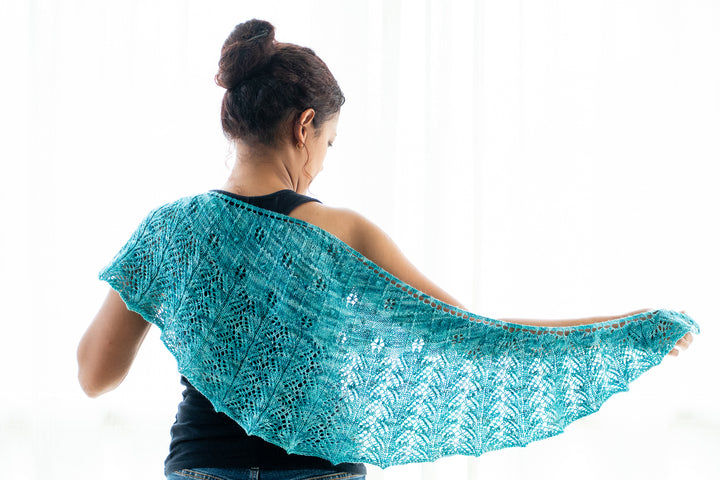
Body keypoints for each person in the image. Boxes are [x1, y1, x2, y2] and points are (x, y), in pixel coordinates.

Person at [77, 19, 693, 480]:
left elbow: (95, 376)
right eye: (330, 142)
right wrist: (629, 328)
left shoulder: (168, 230)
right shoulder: (344, 233)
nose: (320, 162)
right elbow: (477, 334)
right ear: (303, 126)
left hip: (199, 468)